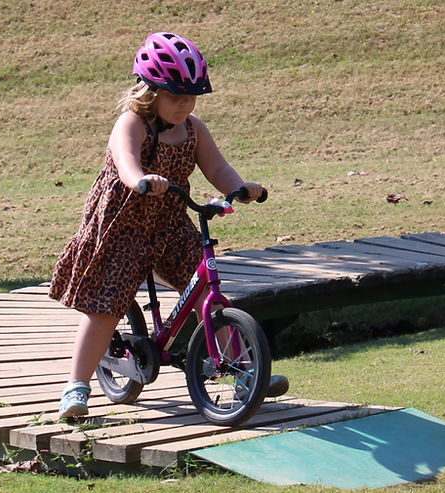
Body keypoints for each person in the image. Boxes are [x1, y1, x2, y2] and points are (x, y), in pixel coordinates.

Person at [49, 32, 286, 419]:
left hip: (170, 224)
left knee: (207, 288)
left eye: (191, 96)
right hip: (121, 227)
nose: (185, 104)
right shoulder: (132, 123)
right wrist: (141, 178)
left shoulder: (194, 128)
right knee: (105, 306)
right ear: (150, 91)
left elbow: (217, 168)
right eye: (176, 96)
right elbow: (125, 162)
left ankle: (244, 372)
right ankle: (77, 387)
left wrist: (239, 188)